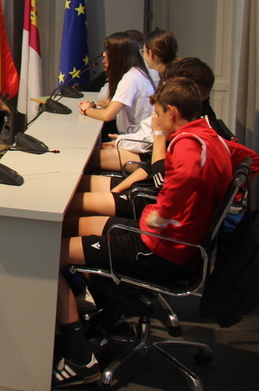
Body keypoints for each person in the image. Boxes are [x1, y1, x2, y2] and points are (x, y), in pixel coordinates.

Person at [53, 77, 232, 387]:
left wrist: (163, 215)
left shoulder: (188, 143)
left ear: (172, 112)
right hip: (170, 240)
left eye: (159, 114)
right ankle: (109, 316)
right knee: (65, 226)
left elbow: (185, 173)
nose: (156, 121)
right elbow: (248, 160)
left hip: (161, 247)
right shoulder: (210, 136)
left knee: (45, 254)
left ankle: (80, 359)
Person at [78, 33, 155, 169]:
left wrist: (86, 109)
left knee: (81, 159)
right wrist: (94, 105)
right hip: (135, 142)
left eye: (107, 50)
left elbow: (108, 115)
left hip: (139, 149)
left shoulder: (131, 78)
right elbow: (112, 101)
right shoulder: (137, 73)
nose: (104, 55)